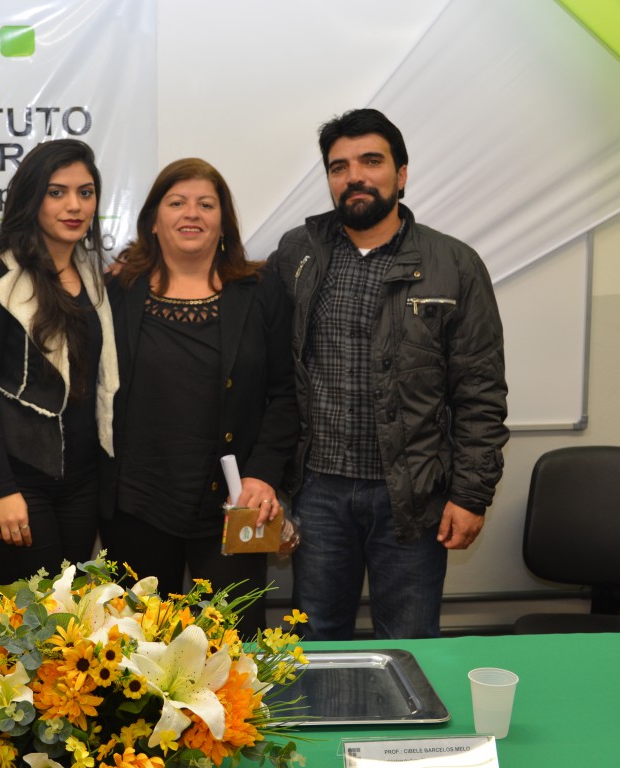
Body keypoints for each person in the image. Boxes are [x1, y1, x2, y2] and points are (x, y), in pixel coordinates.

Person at [268, 109, 509, 640]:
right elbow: (263, 356)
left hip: (413, 496)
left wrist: (471, 495)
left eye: (371, 161)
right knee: (316, 644)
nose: (354, 176)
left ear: (401, 174)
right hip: (318, 493)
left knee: (409, 643)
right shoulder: (296, 254)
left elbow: (480, 392)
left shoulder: (454, 264)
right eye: (339, 167)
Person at [100, 158, 298, 636]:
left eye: (206, 204)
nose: (192, 213)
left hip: (231, 505)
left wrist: (263, 475)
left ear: (223, 222)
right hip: (137, 506)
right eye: (177, 203)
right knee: (139, 652)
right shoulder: (117, 290)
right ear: (153, 220)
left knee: (234, 652)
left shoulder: (260, 290)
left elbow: (286, 394)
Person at [0, 139, 119, 585]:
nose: (74, 206)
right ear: (32, 198)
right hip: (18, 481)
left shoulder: (93, 274)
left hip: (82, 483)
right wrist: (1, 488)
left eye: (85, 192)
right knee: (35, 619)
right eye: (57, 192)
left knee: (73, 616)